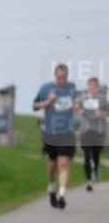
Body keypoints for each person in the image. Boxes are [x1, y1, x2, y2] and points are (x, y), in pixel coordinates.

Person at [33, 64, 77, 208]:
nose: (62, 80)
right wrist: (48, 102)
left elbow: (77, 105)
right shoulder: (46, 88)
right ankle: (52, 187)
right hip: (51, 133)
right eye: (59, 78)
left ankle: (62, 194)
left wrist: (78, 108)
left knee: (63, 163)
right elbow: (34, 106)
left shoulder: (72, 88)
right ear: (55, 76)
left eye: (64, 78)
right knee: (53, 164)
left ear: (67, 76)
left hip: (67, 133)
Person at [76, 77, 107, 192]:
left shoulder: (102, 99)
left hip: (98, 130)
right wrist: (79, 111)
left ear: (98, 87)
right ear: (88, 86)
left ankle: (97, 168)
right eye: (91, 85)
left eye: (95, 86)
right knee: (87, 155)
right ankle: (89, 180)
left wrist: (102, 113)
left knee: (96, 155)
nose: (93, 88)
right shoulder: (83, 98)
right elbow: (76, 109)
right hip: (86, 130)